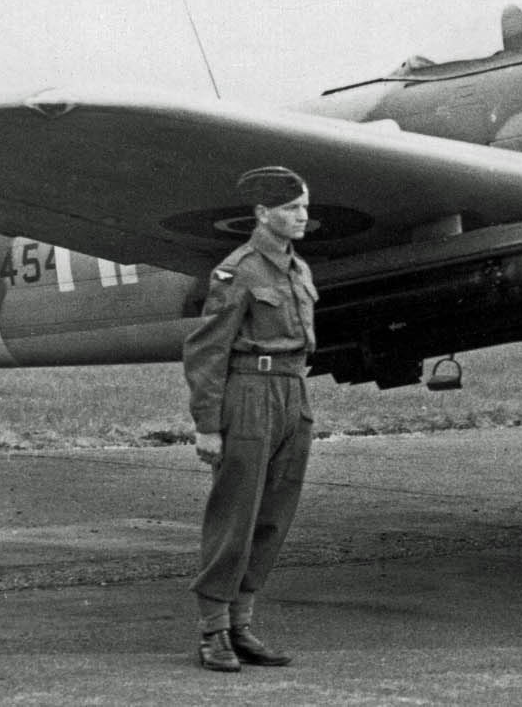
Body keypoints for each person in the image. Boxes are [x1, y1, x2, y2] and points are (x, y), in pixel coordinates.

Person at [185, 166, 318, 673]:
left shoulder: (298, 269)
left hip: (292, 393)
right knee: (234, 518)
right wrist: (207, 425)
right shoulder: (237, 271)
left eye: (305, 207)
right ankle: (212, 631)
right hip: (250, 395)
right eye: (291, 209)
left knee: (272, 517)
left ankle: (241, 625)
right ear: (263, 214)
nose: (302, 217)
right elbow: (206, 351)